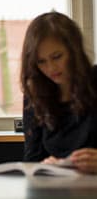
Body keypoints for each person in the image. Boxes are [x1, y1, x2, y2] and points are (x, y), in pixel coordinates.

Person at [21, 11, 97, 174]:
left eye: (57, 57)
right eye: (41, 62)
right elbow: (31, 160)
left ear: (74, 50)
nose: (51, 68)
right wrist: (44, 166)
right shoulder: (35, 94)